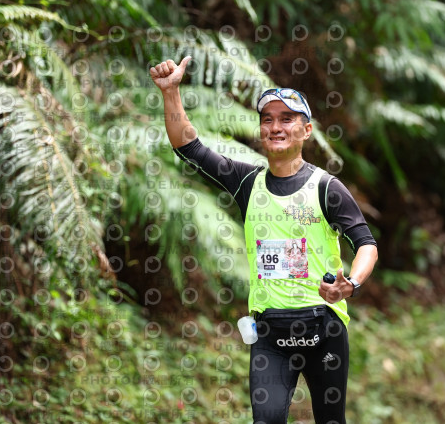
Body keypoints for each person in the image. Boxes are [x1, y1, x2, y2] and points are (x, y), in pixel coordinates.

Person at [150, 56, 378, 424]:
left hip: (324, 328)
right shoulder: (246, 182)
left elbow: (366, 244)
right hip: (270, 336)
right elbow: (189, 147)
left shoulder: (326, 188)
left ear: (306, 130)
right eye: (267, 119)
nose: (275, 127)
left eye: (286, 119)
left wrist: (350, 283)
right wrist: (171, 92)